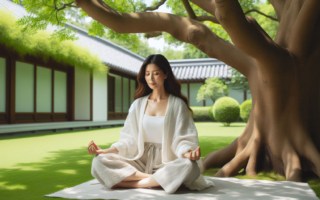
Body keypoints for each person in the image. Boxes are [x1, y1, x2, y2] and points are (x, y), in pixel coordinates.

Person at [87, 54, 214, 194]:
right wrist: (104, 151)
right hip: (139, 162)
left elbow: (183, 139)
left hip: (167, 163)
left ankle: (132, 183)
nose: (151, 78)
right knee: (99, 161)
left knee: (189, 166)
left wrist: (187, 153)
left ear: (166, 74)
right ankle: (158, 180)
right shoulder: (138, 104)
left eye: (156, 73)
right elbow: (128, 139)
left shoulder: (178, 105)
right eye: (147, 74)